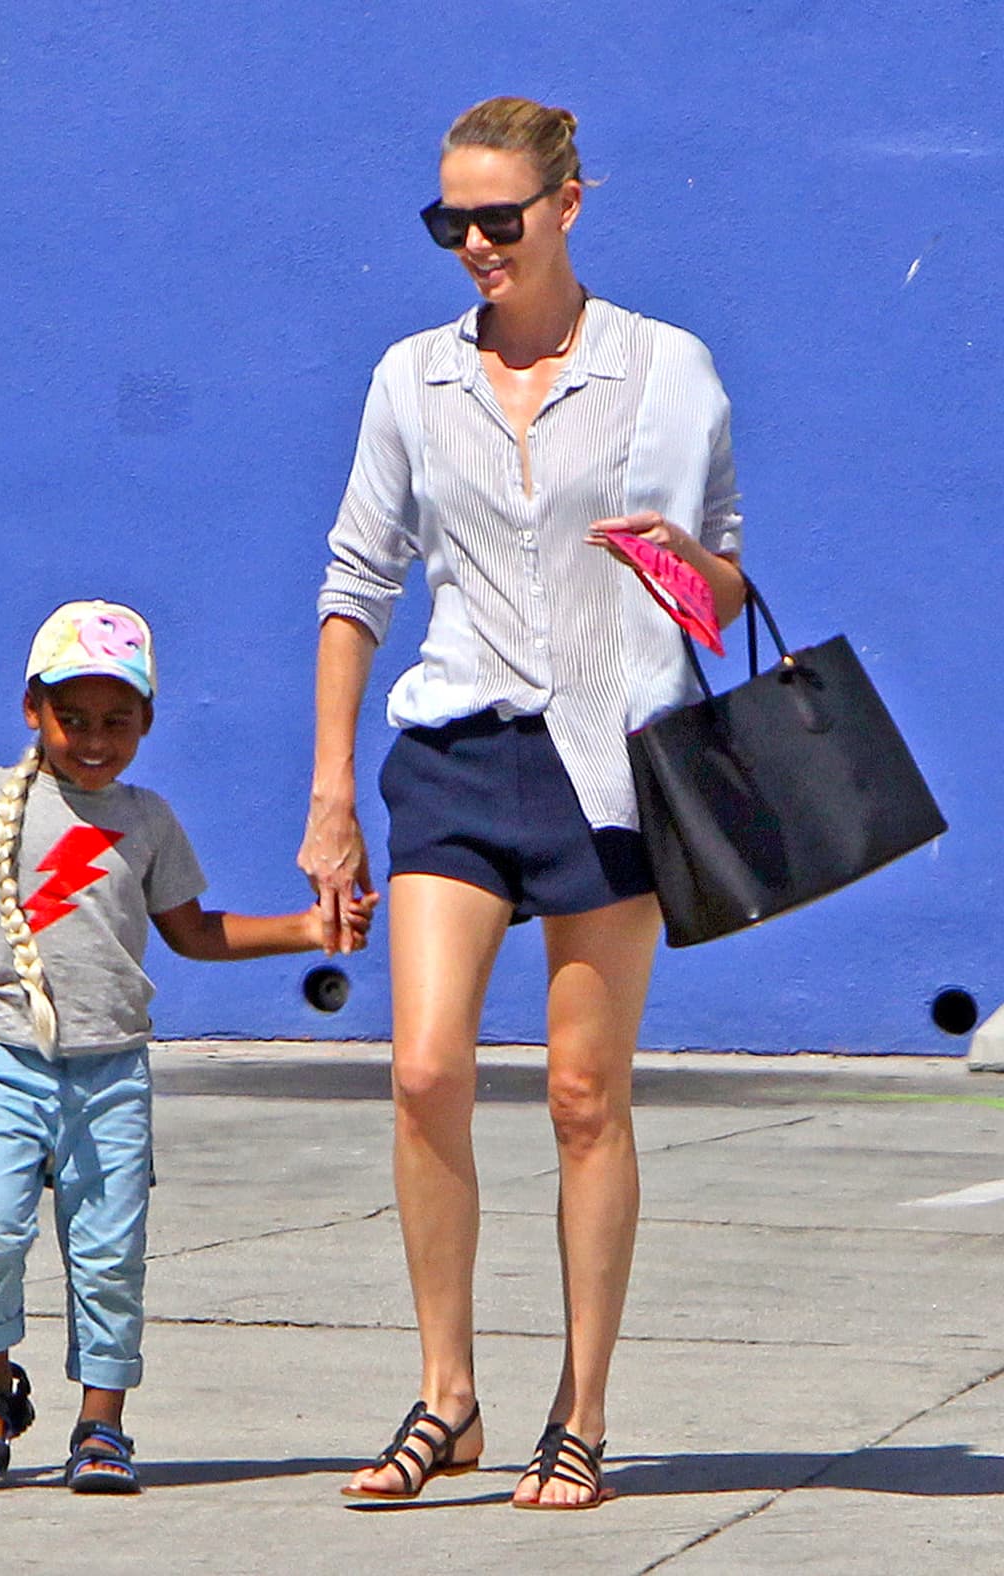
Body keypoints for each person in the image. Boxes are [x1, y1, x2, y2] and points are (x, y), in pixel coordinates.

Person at [298, 96, 746, 1510]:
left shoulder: (664, 372)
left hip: (608, 765)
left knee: (578, 1095)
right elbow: (356, 585)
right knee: (426, 1070)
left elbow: (726, 590)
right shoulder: (411, 379)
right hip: (456, 753)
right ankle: (449, 1396)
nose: (478, 245)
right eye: (453, 224)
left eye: (501, 217)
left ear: (568, 203)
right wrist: (330, 795)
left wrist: (687, 564)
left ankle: (583, 1410)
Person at [0, 598, 374, 1493]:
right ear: (32, 709)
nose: (93, 738)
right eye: (72, 718)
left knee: (109, 1251)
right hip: (5, 1058)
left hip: (111, 1071)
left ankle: (100, 1425)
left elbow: (195, 931)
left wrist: (311, 928)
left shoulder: (148, 820)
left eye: (117, 720)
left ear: (148, 722)